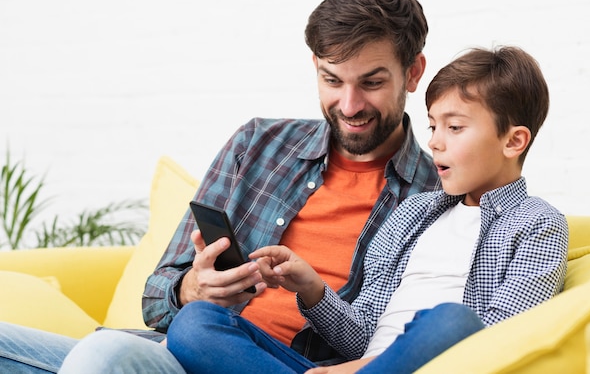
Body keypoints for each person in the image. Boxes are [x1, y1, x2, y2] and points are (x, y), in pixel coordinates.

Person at [0, 0, 439, 373]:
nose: (349, 104)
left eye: (372, 83)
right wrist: (195, 287)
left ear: (413, 72)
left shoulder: (438, 193)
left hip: (278, 364)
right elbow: (156, 299)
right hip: (172, 354)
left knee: (103, 356)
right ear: (315, 67)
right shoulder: (259, 145)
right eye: (332, 80)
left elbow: (395, 343)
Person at [163, 46, 569, 374]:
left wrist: (355, 371)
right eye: (432, 126)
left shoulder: (537, 223)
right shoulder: (414, 213)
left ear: (513, 141)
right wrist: (311, 287)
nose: (436, 143)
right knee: (196, 324)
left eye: (455, 127)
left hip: (426, 363)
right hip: (357, 365)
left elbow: (501, 337)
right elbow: (360, 333)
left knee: (454, 322)